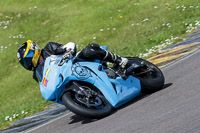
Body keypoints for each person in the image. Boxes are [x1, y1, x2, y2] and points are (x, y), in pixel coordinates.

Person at [17, 40, 141, 82]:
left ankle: (121, 61)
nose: (27, 64)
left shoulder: (49, 48)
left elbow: (67, 46)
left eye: (27, 60)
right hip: (65, 78)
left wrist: (67, 51)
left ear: (33, 52)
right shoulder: (36, 75)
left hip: (76, 62)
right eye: (24, 63)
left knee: (90, 49)